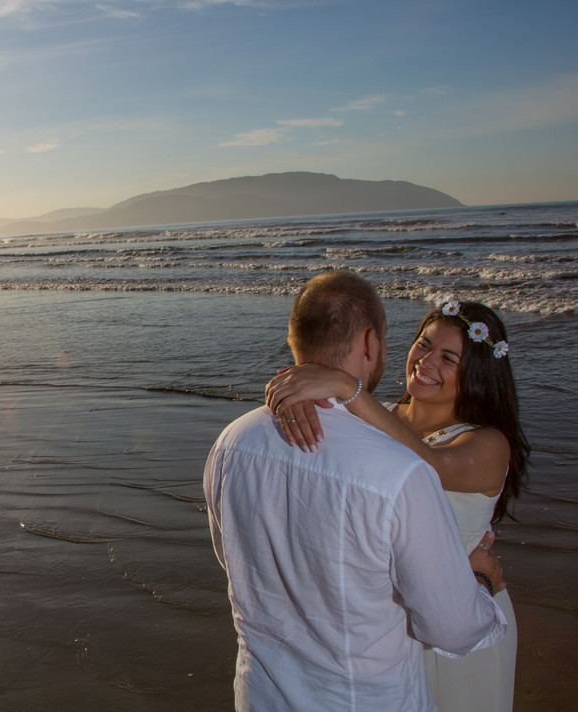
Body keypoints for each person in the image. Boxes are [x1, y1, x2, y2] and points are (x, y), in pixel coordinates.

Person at [204, 272, 507, 711]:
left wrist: (344, 390)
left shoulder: (233, 441)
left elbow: (237, 556)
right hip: (371, 684)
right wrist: (478, 579)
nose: (425, 360)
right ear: (371, 344)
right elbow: (453, 627)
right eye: (422, 344)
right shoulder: (394, 464)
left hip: (265, 692)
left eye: (449, 357)